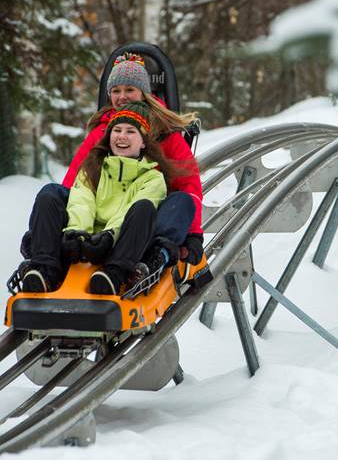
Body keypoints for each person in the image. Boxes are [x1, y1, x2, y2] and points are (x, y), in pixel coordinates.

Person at [22, 52, 205, 278]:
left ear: (144, 93)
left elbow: (189, 185)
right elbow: (77, 182)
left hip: (140, 218)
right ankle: (45, 258)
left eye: (130, 90)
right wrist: (69, 227)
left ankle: (153, 255)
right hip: (98, 212)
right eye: (116, 91)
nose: (122, 97)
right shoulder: (102, 131)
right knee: (51, 193)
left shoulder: (165, 131)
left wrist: (193, 234)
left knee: (180, 201)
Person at [21, 103, 181, 295]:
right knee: (48, 195)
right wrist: (77, 233)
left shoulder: (153, 178)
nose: (122, 136)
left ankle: (115, 275)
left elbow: (128, 211)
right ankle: (45, 270)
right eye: (117, 130)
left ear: (143, 142)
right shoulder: (92, 168)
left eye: (130, 131)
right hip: (85, 242)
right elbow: (82, 201)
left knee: (144, 208)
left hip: (119, 243)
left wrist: (108, 237)